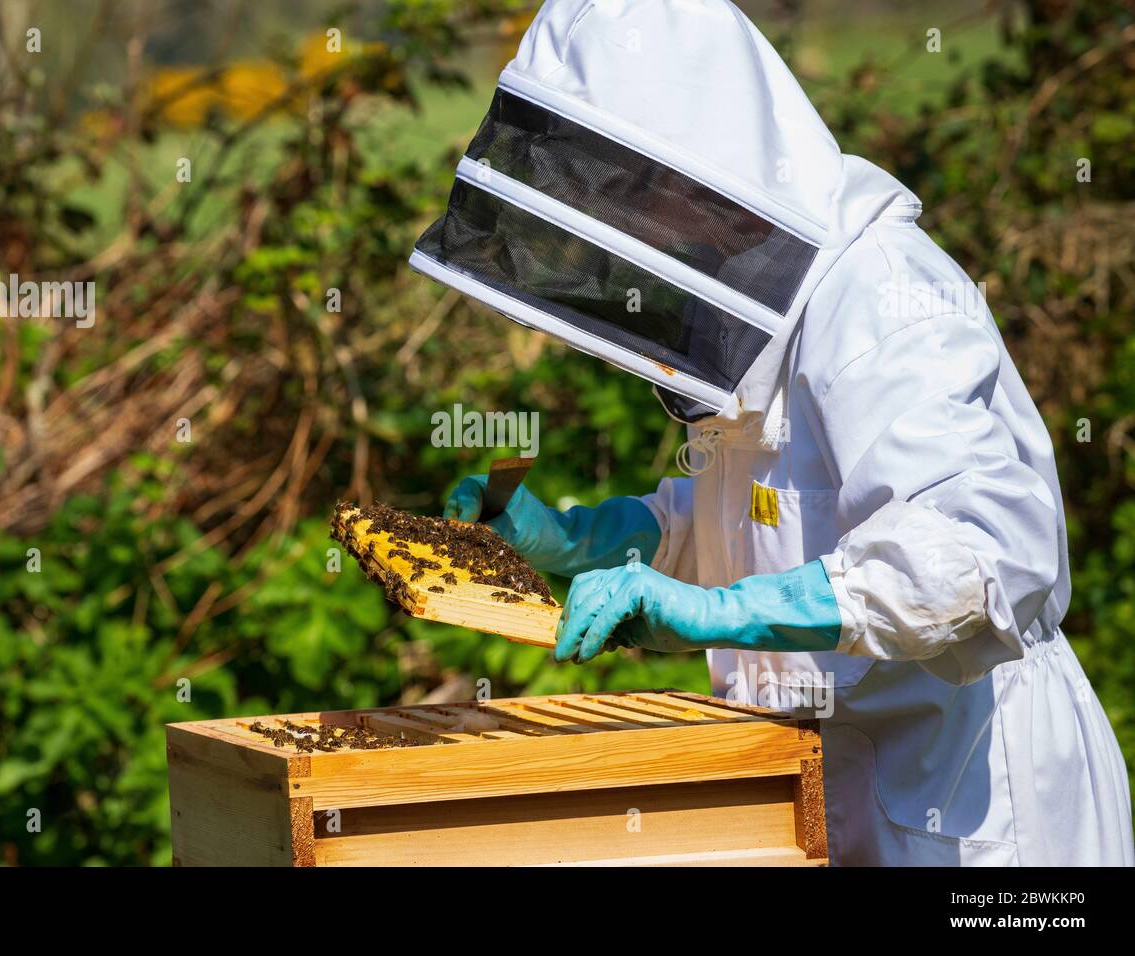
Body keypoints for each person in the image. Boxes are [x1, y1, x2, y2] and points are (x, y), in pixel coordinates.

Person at [415, 0, 1133, 865]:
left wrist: (716, 612)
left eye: (623, 192)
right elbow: (762, 520)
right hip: (828, 793)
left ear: (697, 164)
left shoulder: (882, 296)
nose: (619, 234)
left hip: (980, 819)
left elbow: (982, 556)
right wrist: (582, 540)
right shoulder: (746, 306)